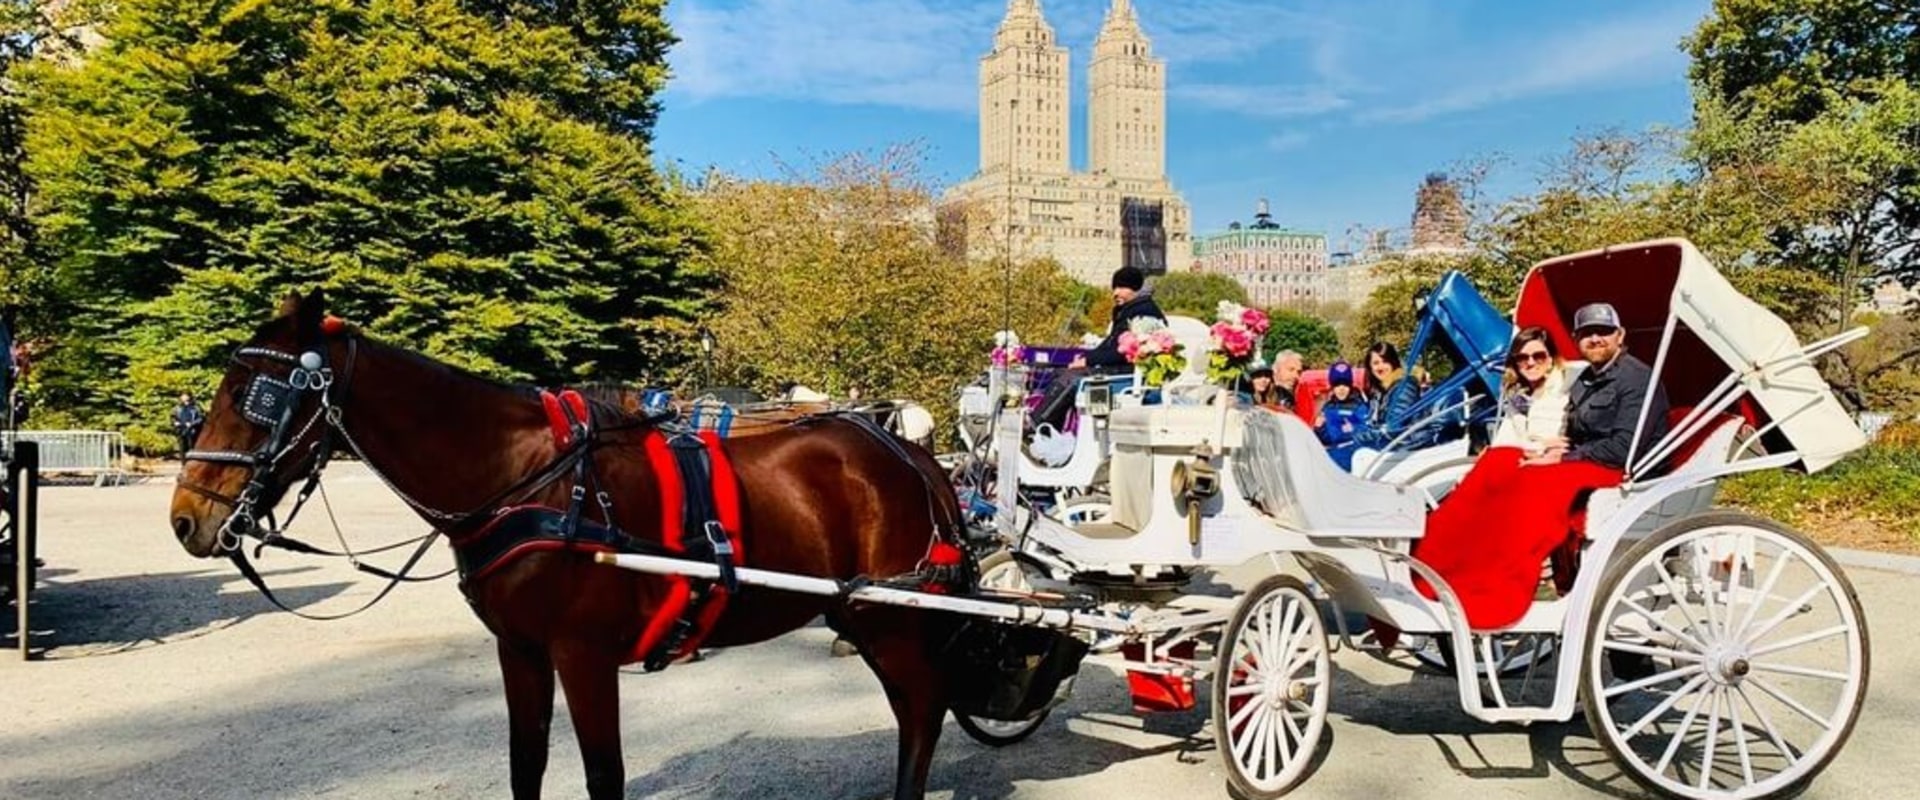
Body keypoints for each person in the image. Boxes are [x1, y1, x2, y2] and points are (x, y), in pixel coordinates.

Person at [1412, 301, 1671, 630]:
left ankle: (1502, 581)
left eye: (1603, 332)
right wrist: (1558, 447)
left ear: (1620, 335)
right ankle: (1443, 561)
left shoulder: (1636, 379)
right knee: (1501, 463)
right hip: (1589, 457)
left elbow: (1622, 447)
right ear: (1576, 339)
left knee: (1534, 484)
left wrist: (1564, 455)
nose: (1595, 339)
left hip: (1620, 467)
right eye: (1587, 334)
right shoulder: (1586, 379)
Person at [1031, 266, 1166, 431]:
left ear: (1135, 289)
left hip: (1128, 373)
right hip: (1118, 368)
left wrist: (1089, 360)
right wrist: (1084, 358)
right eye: (1114, 288)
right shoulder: (1127, 311)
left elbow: (1124, 353)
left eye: (1122, 288)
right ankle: (1050, 430)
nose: (1115, 293)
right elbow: (1109, 344)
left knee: (1071, 380)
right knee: (1061, 373)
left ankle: (1038, 425)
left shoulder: (1144, 315)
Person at [1489, 326, 1575, 456]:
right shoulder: (1517, 396)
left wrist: (1532, 447)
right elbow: (1503, 443)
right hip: (1525, 461)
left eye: (1538, 356)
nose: (1530, 363)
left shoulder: (1563, 389)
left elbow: (1554, 442)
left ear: (1550, 359)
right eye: (1522, 358)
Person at [1349, 341, 1437, 452]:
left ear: (1393, 363)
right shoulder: (1383, 391)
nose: (1380, 367)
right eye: (1376, 363)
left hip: (1408, 448)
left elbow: (1394, 428)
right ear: (1370, 367)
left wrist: (1357, 435)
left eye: (1385, 362)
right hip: (1395, 447)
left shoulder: (1404, 386)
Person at [1315, 361, 1372, 467]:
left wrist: (1341, 432)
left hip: (1354, 460)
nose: (1341, 388)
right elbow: (1328, 439)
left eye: (1345, 384)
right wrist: (1320, 428)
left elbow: (1363, 433)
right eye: (1337, 384)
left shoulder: (1360, 406)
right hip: (1332, 460)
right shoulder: (1328, 407)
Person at [171, 393, 205, 460]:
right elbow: (173, 418)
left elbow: (201, 418)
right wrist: (175, 423)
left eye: (186, 398)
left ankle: (192, 463)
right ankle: (184, 465)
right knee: (182, 450)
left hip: (192, 432)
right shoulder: (177, 409)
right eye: (183, 399)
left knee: (192, 449)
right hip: (181, 431)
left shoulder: (195, 408)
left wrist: (192, 424)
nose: (184, 400)